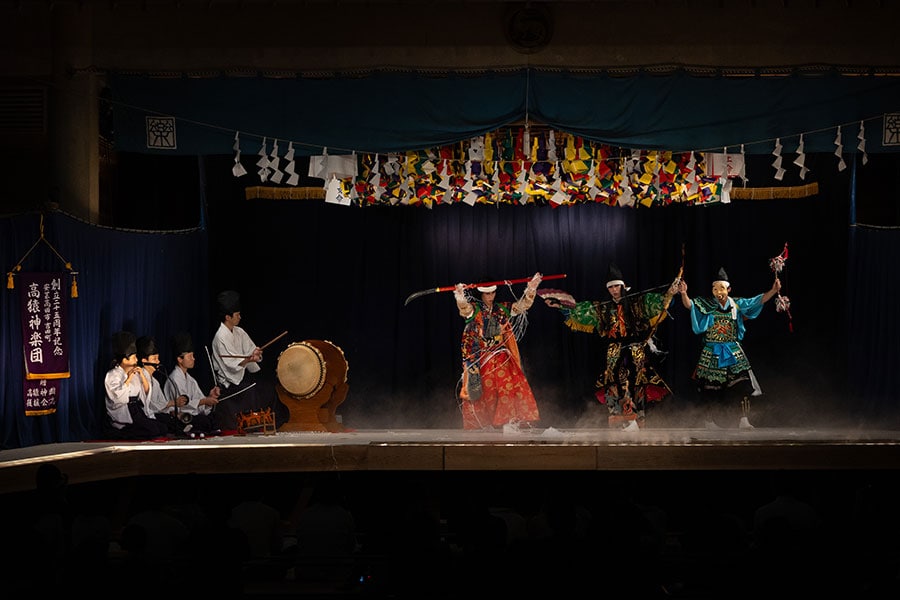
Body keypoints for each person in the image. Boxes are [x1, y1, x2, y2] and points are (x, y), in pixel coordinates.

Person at [543, 263, 678, 430]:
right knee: (613, 381)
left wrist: (671, 292)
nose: (614, 290)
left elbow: (658, 303)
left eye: (617, 286)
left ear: (622, 286)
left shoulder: (637, 303)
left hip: (635, 349)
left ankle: (639, 417)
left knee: (638, 381)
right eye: (611, 287)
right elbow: (580, 311)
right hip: (614, 350)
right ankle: (616, 417)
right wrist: (560, 305)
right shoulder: (603, 308)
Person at [675, 267, 781, 429]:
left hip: (732, 350)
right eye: (715, 288)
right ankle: (708, 421)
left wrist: (773, 291)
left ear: (729, 289)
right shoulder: (708, 304)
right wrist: (683, 293)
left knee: (742, 384)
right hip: (712, 352)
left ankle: (743, 420)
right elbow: (691, 306)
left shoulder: (736, 304)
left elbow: (757, 301)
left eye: (722, 288)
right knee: (709, 388)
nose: (718, 292)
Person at [454, 273, 542, 430]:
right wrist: (460, 296)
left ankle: (507, 421)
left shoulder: (502, 309)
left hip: (500, 355)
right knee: (484, 394)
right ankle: (486, 425)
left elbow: (522, 306)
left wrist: (531, 288)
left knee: (508, 387)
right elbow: (464, 309)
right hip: (480, 357)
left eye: (492, 292)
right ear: (481, 293)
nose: (490, 296)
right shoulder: (474, 310)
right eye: (487, 293)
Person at [210, 290, 287, 431]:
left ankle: (273, 425)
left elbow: (251, 351)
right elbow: (231, 365)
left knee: (269, 389)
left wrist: (255, 354)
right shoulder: (220, 337)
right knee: (253, 391)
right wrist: (247, 360)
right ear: (228, 317)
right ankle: (253, 426)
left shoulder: (239, 331)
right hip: (230, 383)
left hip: (243, 378)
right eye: (237, 314)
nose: (240, 317)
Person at [104, 330, 169, 440]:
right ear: (125, 359)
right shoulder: (112, 375)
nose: (137, 360)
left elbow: (146, 393)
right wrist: (128, 379)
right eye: (134, 357)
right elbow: (117, 398)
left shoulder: (136, 374)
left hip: (136, 410)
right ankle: (121, 431)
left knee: (162, 428)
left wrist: (142, 376)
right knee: (152, 430)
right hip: (125, 413)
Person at [163, 331, 221, 437]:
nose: (193, 359)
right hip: (182, 417)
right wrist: (204, 401)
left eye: (193, 356)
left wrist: (209, 399)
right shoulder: (175, 378)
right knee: (202, 421)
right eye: (190, 357)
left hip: (193, 416)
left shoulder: (191, 380)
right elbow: (184, 404)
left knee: (214, 416)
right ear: (180, 359)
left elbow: (200, 401)